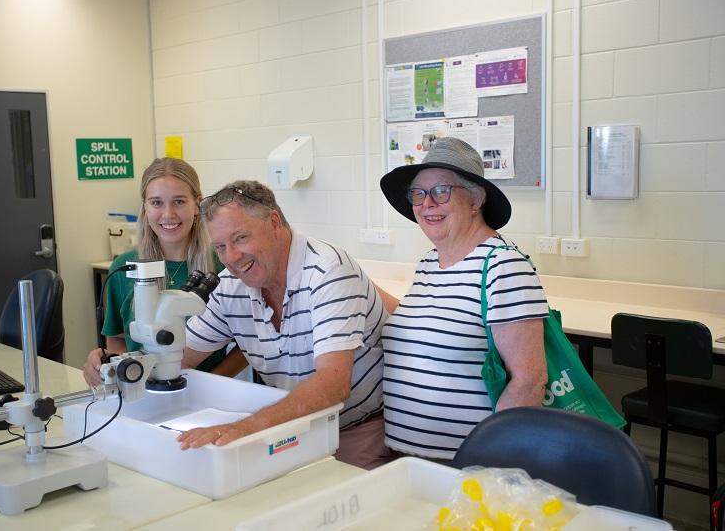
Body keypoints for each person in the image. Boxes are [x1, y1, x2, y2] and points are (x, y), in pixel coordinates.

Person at [175, 180, 393, 470]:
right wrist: (123, 369)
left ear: (274, 222)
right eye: (221, 247)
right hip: (292, 425)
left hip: (355, 425)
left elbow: (333, 383)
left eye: (240, 238)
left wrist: (247, 427)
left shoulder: (328, 271)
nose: (232, 258)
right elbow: (180, 358)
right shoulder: (230, 285)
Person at [379, 137, 549, 462]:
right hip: (407, 457)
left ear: (476, 198)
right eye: (418, 193)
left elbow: (529, 381)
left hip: (465, 463)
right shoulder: (430, 262)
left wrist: (489, 462)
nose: (427, 203)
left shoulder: (503, 265)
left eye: (441, 191)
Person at [89, 157, 227, 372]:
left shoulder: (222, 264)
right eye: (156, 202)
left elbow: (245, 346)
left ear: (197, 204)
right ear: (144, 207)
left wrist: (214, 381)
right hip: (145, 389)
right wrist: (110, 365)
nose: (168, 214)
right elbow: (117, 339)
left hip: (207, 394)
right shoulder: (124, 267)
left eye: (179, 201)